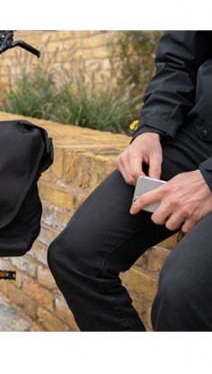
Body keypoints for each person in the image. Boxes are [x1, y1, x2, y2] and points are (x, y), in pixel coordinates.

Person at [47, 31, 212, 331]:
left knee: (184, 297)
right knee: (75, 257)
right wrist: (151, 129)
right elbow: (179, 58)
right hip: (200, 136)